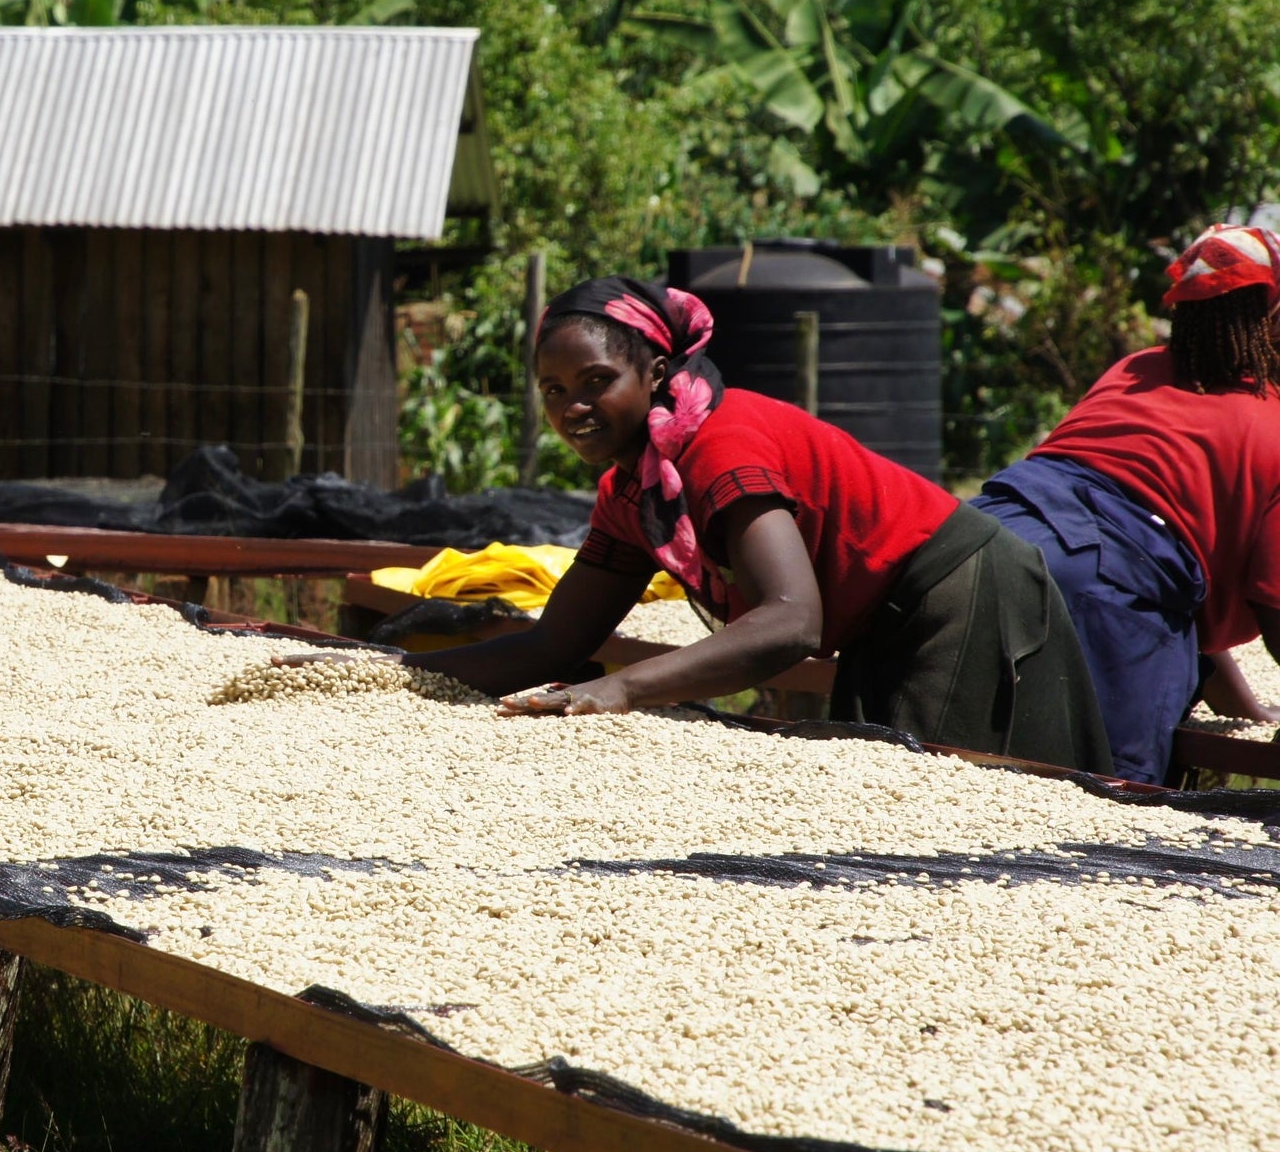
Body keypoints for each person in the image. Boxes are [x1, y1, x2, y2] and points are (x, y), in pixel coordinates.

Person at [407, 275, 1112, 772]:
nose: (572, 408)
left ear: (655, 371)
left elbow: (788, 621)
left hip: (960, 598)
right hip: (882, 621)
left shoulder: (718, 445)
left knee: (949, 814)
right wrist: (397, 677)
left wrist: (621, 686)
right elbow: (555, 644)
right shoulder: (631, 490)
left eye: (596, 381)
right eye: (554, 391)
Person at [972, 223, 1280, 785]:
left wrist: (1247, 710)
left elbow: (1169, 595)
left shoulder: (1133, 371)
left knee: (944, 761)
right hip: (1099, 592)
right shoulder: (1271, 423)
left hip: (979, 540)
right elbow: (1273, 613)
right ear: (1269, 320)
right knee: (1102, 806)